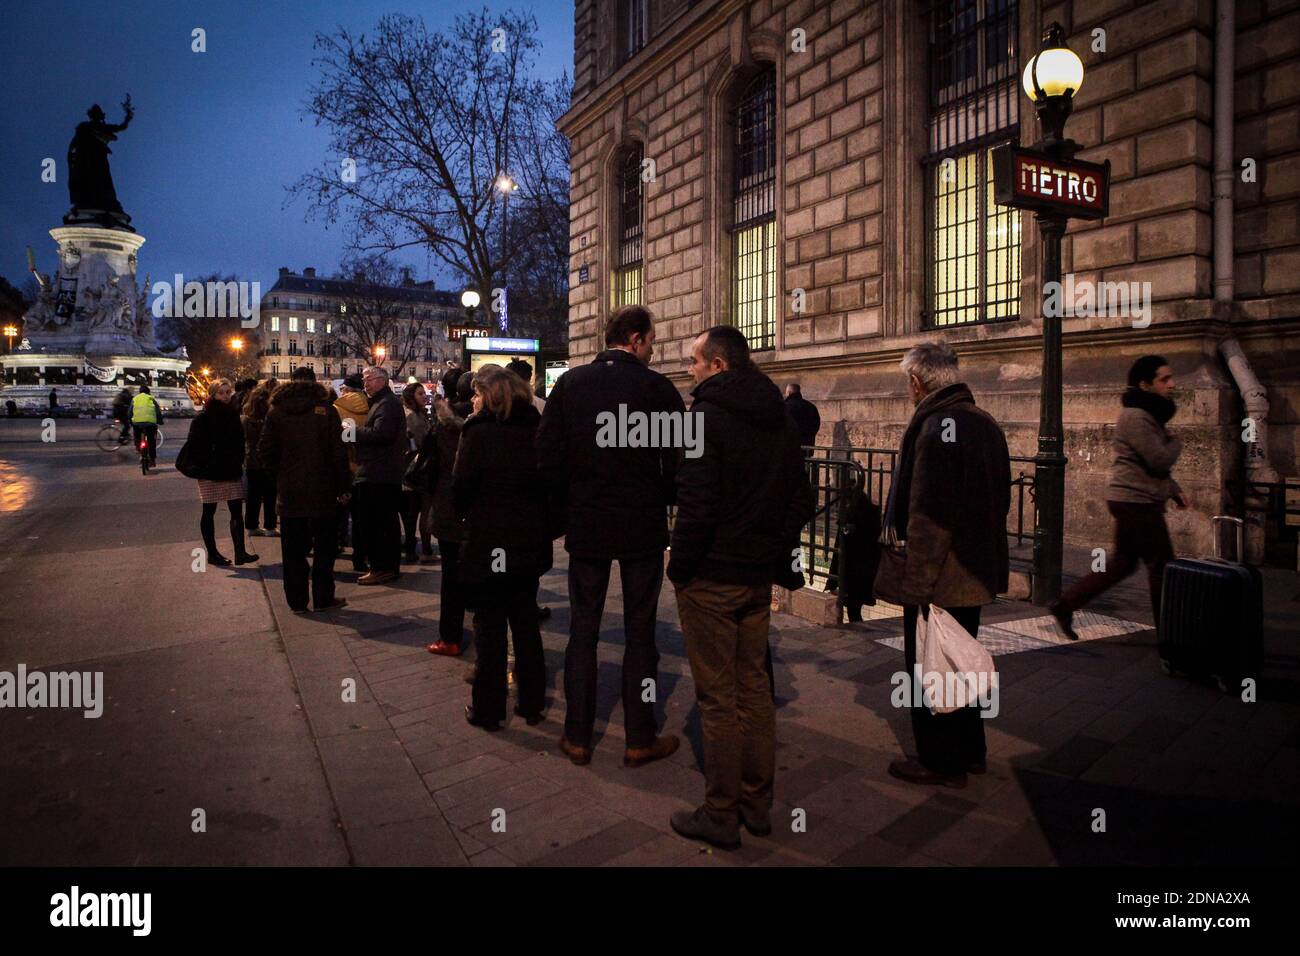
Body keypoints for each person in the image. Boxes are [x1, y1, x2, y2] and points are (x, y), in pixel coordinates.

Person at [666, 326, 815, 850]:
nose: (690, 370)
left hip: (712, 575)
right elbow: (802, 495)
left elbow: (697, 505)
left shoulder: (704, 420)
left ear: (719, 365)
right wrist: (771, 543)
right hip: (755, 574)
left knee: (718, 697)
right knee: (754, 689)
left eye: (694, 361)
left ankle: (721, 812)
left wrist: (679, 567)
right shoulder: (776, 416)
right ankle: (757, 802)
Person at [537, 305, 685, 769]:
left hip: (588, 521)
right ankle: (640, 735)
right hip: (641, 523)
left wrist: (570, 499)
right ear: (637, 339)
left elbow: (546, 456)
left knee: (583, 628)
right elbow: (681, 462)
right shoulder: (659, 389)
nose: (653, 348)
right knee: (641, 630)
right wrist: (658, 493)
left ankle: (577, 735)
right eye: (652, 340)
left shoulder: (572, 384)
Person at [872, 342, 1010, 790]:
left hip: (943, 576)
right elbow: (1001, 498)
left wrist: (919, 582)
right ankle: (971, 752)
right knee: (962, 659)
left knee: (931, 666)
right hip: (975, 569)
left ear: (917, 382)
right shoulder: (984, 423)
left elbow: (928, 518)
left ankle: (940, 761)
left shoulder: (934, 429)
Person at [1051, 356, 1189, 638]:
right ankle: (1171, 634)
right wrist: (1177, 441)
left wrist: (1174, 491)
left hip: (1135, 499)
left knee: (1123, 563)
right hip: (1136, 502)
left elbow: (1147, 464)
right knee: (1162, 566)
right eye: (1164, 379)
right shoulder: (1136, 417)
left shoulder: (1147, 414)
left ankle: (1065, 605)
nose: (1172, 384)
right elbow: (1159, 460)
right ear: (1145, 384)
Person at [453, 365, 551, 731]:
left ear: (491, 395)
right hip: (527, 541)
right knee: (525, 621)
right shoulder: (537, 428)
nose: (473, 400)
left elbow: (461, 488)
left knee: (490, 625)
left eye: (477, 393)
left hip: (489, 541)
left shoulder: (477, 433)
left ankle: (489, 708)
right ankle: (532, 703)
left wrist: (469, 518)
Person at [259, 368, 351, 613]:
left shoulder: (276, 412)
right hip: (323, 491)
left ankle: (297, 601)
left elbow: (265, 451)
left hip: (290, 493)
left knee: (292, 551)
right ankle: (323, 597)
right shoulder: (327, 411)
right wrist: (343, 486)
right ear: (314, 384)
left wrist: (280, 476)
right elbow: (338, 453)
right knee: (324, 549)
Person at [187, 378, 257, 567]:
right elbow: (195, 444)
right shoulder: (203, 417)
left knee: (236, 511)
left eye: (228, 392)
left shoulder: (233, 414)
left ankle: (240, 552)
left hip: (230, 469)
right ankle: (212, 553)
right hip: (210, 471)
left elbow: (239, 440)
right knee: (209, 511)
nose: (225, 396)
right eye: (221, 392)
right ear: (213, 394)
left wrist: (238, 458)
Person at [422, 394, 469, 656]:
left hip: (448, 509)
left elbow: (426, 468)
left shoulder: (441, 430)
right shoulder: (488, 426)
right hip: (482, 516)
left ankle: (450, 636)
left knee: (451, 577)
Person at [353, 366, 406, 585]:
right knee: (383, 522)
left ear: (382, 381)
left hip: (380, 473)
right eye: (365, 380)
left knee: (379, 523)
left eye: (369, 380)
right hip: (381, 472)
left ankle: (382, 567)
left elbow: (382, 434)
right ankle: (385, 566)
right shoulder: (383, 402)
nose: (365, 384)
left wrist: (353, 431)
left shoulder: (387, 404)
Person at [334, 374, 370, 569]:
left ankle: (338, 543)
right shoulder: (371, 406)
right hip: (365, 466)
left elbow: (346, 438)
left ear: (346, 390)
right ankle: (360, 557)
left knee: (339, 509)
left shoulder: (339, 408)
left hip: (345, 466)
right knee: (360, 517)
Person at [242, 381, 278, 538]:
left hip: (252, 460)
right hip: (269, 461)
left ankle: (251, 525)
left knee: (253, 495)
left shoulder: (246, 419)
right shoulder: (271, 418)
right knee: (270, 494)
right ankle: (270, 526)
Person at [400, 382, 431, 563]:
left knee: (412, 513)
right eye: (420, 394)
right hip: (413, 470)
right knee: (412, 513)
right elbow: (420, 442)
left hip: (413, 470)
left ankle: (413, 547)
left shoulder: (419, 415)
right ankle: (412, 548)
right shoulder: (413, 417)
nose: (424, 396)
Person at [130, 384, 164, 466]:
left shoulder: (135, 399)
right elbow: (158, 412)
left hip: (137, 423)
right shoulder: (151, 398)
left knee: (137, 437)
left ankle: (139, 450)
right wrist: (160, 421)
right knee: (151, 441)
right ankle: (152, 460)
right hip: (150, 424)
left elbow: (130, 412)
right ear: (148, 392)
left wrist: (130, 422)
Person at [784, 383, 822, 449]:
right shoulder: (811, 407)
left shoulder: (784, 407)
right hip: (806, 445)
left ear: (789, 393)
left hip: (788, 446)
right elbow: (816, 425)